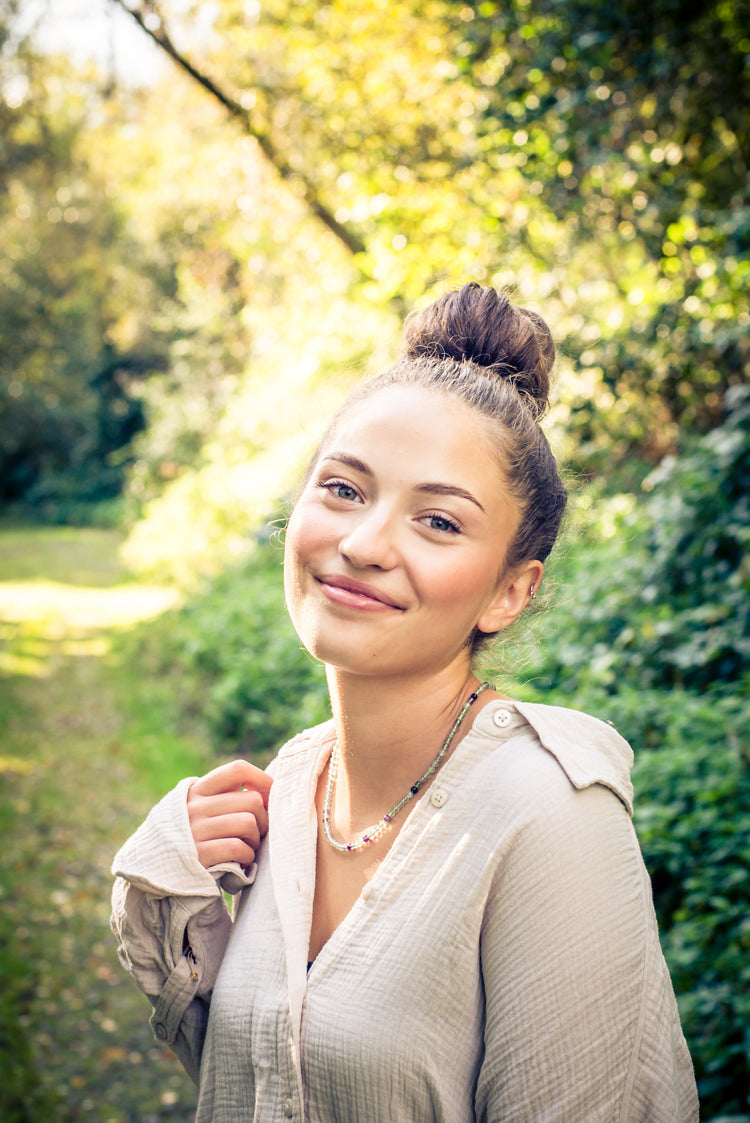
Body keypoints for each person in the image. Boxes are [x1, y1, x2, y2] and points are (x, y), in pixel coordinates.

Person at [111, 283, 699, 1121]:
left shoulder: (551, 815)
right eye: (344, 489)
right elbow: (265, 1083)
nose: (362, 544)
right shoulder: (290, 788)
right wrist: (166, 879)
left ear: (510, 592)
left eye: (439, 521)